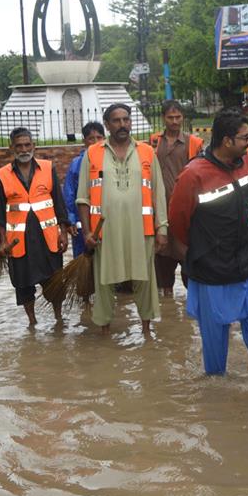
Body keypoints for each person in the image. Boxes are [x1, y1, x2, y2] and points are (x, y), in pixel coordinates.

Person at [168, 109, 248, 377]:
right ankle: (216, 397)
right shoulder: (193, 175)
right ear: (227, 141)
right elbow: (178, 223)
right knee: (215, 345)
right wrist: (191, 259)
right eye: (245, 137)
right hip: (212, 271)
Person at [75, 104, 168, 336]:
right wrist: (87, 232)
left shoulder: (146, 151)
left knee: (145, 281)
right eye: (116, 121)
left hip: (142, 229)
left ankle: (147, 330)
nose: (122, 124)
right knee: (104, 283)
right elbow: (82, 198)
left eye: (126, 119)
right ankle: (105, 332)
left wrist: (162, 228)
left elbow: (159, 192)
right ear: (107, 125)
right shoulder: (92, 153)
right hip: (104, 233)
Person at [0, 127, 70, 327]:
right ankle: (32, 322)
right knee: (24, 286)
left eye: (27, 145)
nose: (24, 149)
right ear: (12, 148)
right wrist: (2, 242)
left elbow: (58, 203)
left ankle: (58, 319)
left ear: (33, 146)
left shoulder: (47, 168)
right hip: (18, 243)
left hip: (48, 239)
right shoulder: (2, 175)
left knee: (54, 284)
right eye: (19, 146)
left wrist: (63, 232)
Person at [149, 100, 204, 297]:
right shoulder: (154, 141)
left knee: (188, 254)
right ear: (163, 118)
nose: (174, 121)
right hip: (160, 209)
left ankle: (194, 300)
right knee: (162, 255)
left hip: (186, 209)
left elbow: (201, 174)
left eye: (178, 117)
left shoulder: (194, 143)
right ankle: (167, 299)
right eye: (170, 117)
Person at [63, 122, 106, 257]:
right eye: (91, 138)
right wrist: (70, 219)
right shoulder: (76, 164)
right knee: (84, 261)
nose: (95, 142)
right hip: (83, 224)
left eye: (99, 137)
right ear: (84, 141)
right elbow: (69, 193)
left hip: (105, 221)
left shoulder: (110, 161)